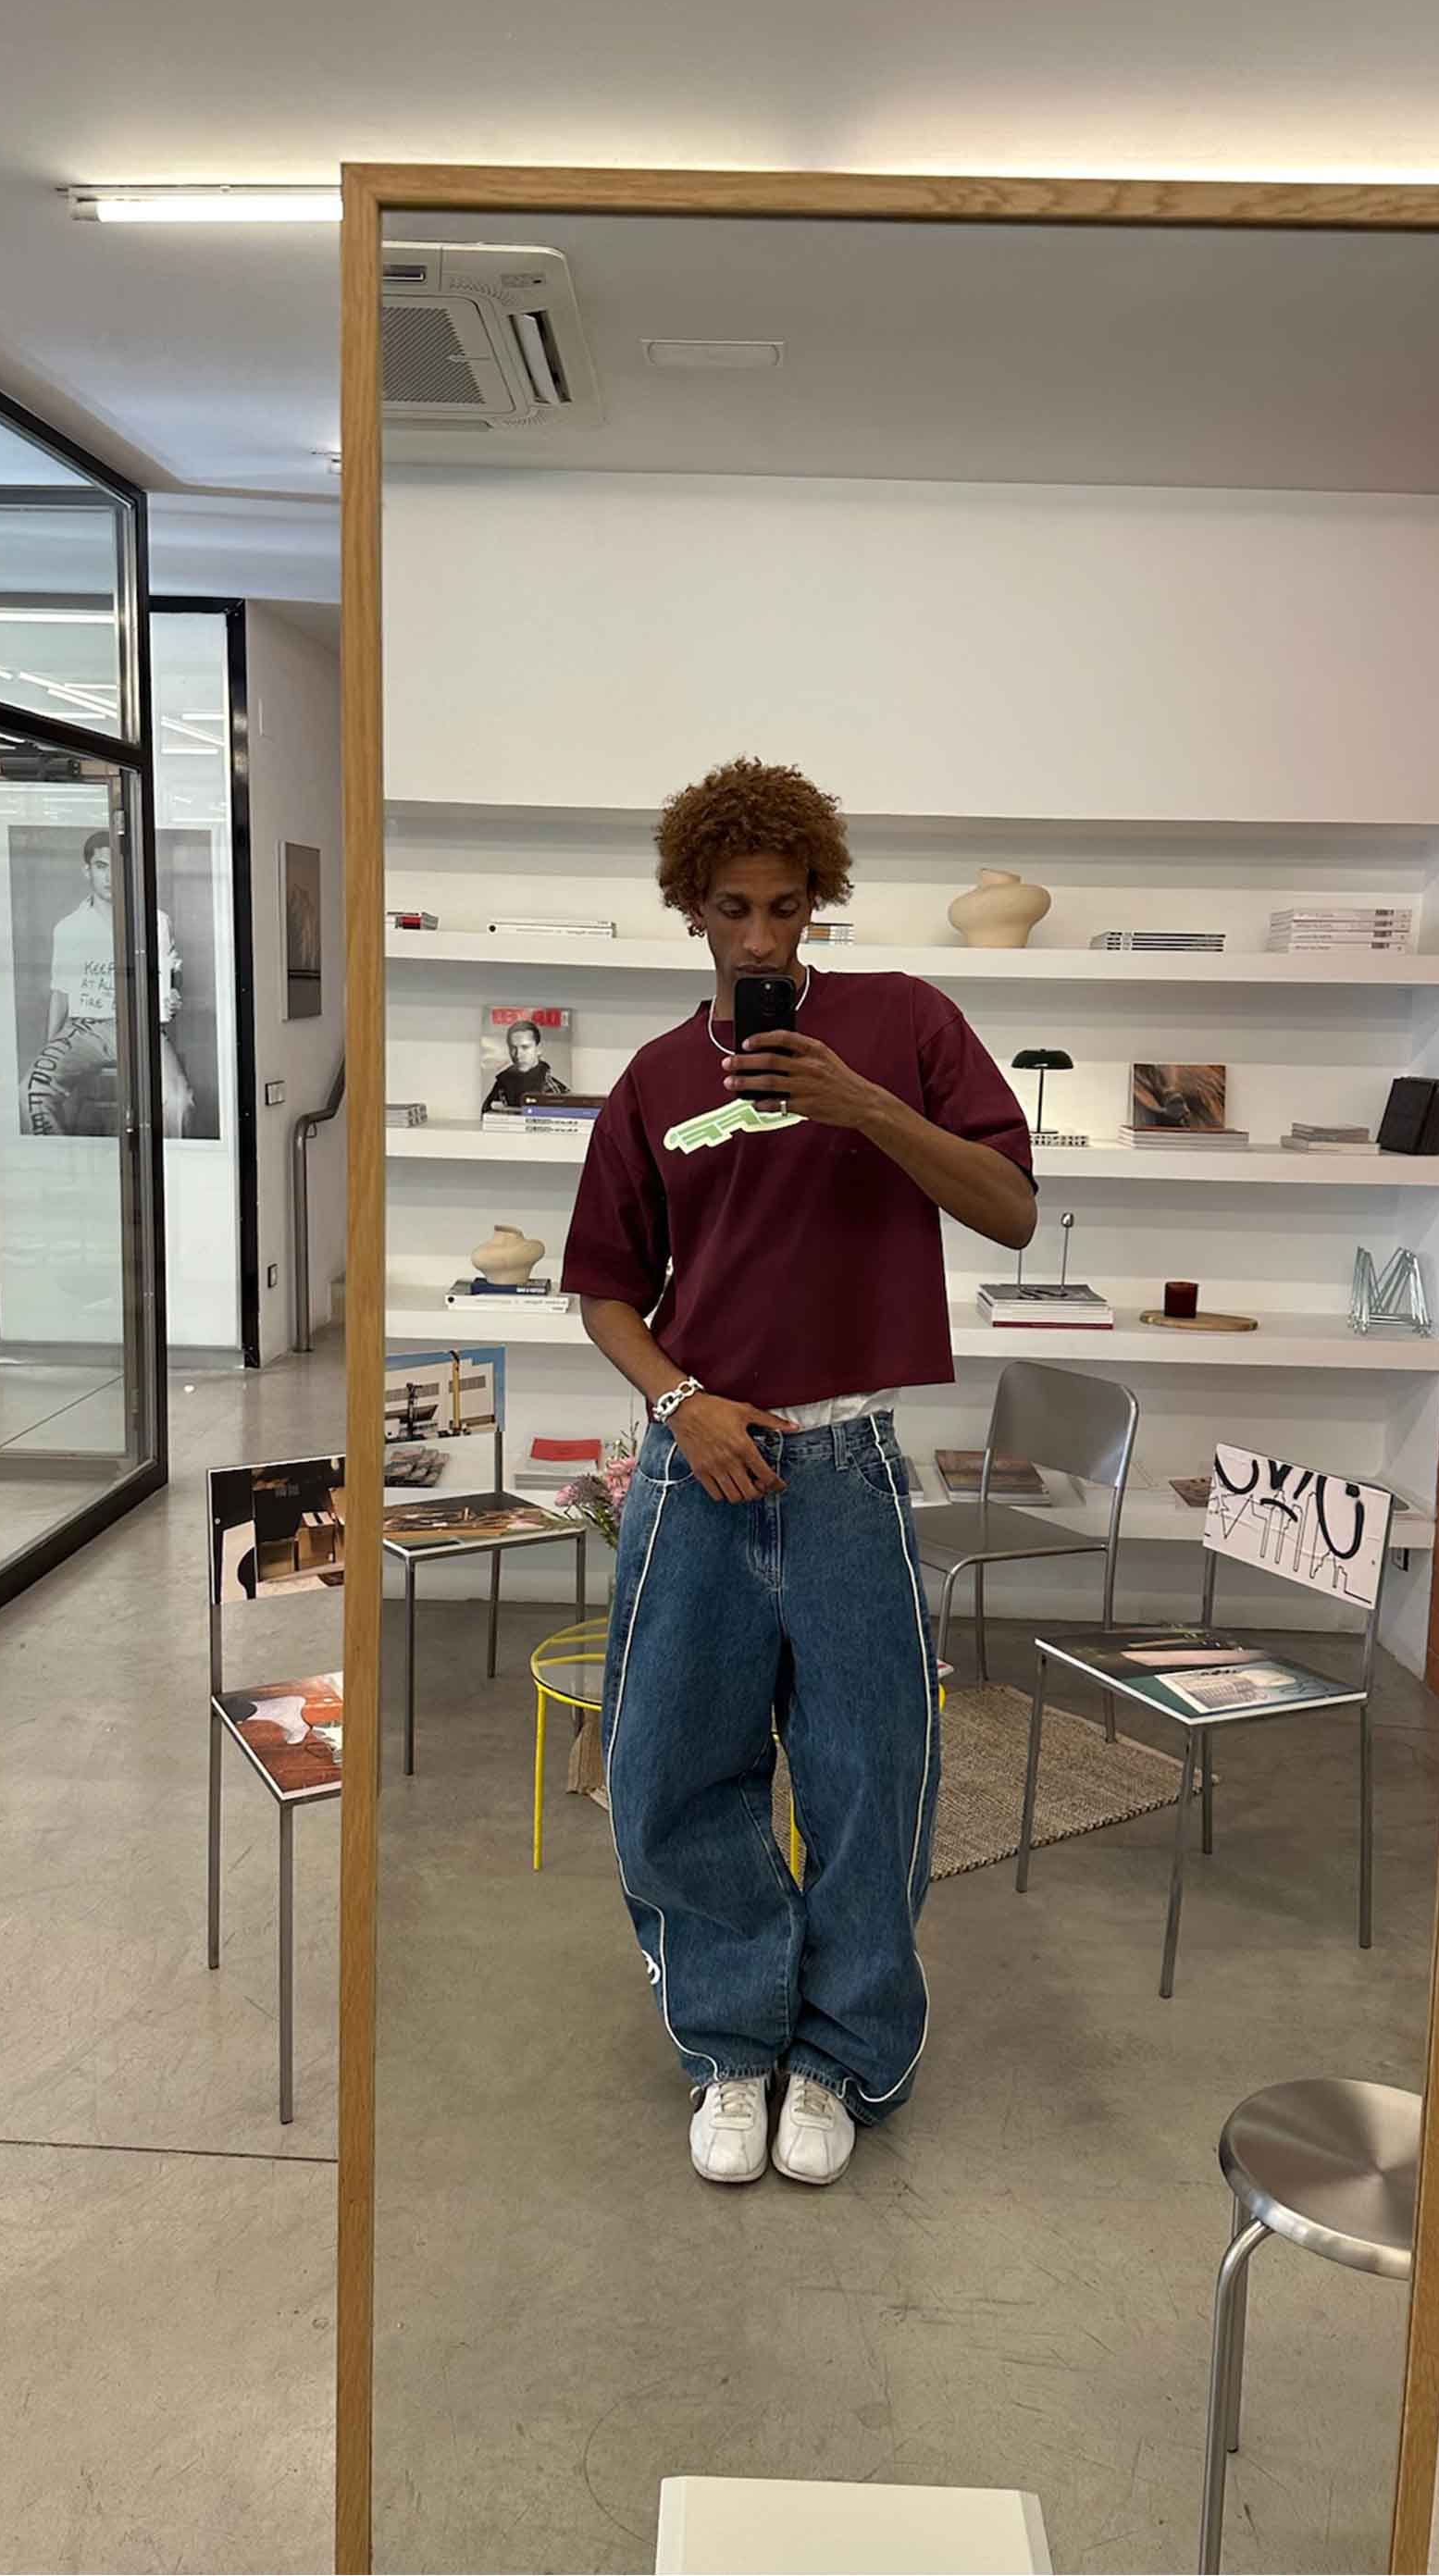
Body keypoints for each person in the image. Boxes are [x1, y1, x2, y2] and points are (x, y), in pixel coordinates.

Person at [562, 756, 1036, 2188]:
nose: (760, 937)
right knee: (668, 1767)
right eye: (733, 910)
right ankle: (730, 2042)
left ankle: (836, 2054)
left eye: (785, 907)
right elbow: (603, 1290)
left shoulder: (904, 1023)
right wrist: (680, 1403)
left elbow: (1011, 1209)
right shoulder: (655, 1080)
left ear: (818, 900)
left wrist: (863, 1105)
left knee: (868, 1774)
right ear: (692, 910)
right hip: (698, 1462)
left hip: (847, 1463)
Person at [24, 830, 194, 1136]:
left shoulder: (156, 921)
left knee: (178, 1101)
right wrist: (50, 1049)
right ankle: (59, 1161)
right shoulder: (69, 928)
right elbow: (60, 993)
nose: (109, 877)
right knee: (31, 1093)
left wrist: (173, 996)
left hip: (140, 1026)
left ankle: (169, 1165)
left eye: (116, 867)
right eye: (101, 866)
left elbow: (171, 977)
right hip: (84, 1029)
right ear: (87, 870)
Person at [480, 1018, 569, 1114]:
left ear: (538, 1049)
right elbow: (484, 1118)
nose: (518, 1055)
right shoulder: (500, 1086)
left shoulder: (557, 1092)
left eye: (525, 1047)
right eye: (513, 1048)